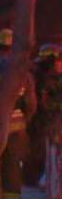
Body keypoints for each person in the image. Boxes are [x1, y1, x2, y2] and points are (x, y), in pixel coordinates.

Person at [0, 28, 37, 199]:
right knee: (14, 165)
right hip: (17, 128)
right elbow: (31, 103)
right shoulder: (23, 74)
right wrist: (24, 120)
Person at [25, 42, 62, 186]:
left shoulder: (40, 75)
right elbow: (45, 102)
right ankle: (39, 179)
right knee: (42, 151)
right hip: (44, 122)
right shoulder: (46, 78)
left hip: (43, 121)